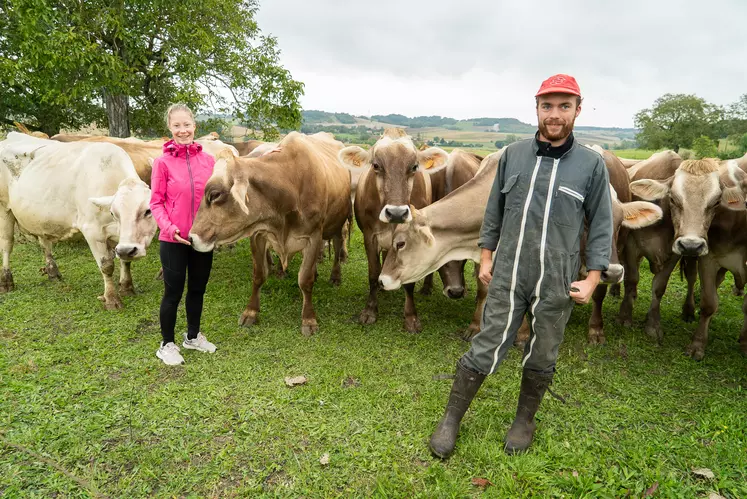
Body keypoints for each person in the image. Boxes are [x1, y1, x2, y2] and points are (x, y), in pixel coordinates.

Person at [429, 74, 613, 457]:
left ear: (578, 110)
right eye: (547, 106)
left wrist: (593, 278)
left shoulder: (591, 166)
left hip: (558, 278)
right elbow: (494, 210)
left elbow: (600, 225)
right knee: (486, 344)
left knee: (544, 350)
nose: (555, 114)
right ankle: (450, 419)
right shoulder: (512, 155)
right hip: (509, 270)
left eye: (564, 106)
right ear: (537, 109)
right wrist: (485, 255)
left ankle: (523, 421)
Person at [150, 103, 217, 365]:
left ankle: (192, 337)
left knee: (198, 289)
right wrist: (169, 228)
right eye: (177, 126)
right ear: (170, 128)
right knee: (173, 293)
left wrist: (269, 156)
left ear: (194, 126)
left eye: (186, 125)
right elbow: (155, 202)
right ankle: (167, 344)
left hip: (201, 238)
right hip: (173, 239)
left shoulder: (208, 161)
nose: (182, 130)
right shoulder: (162, 163)